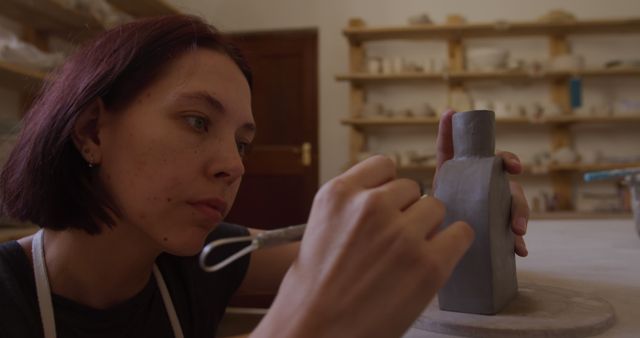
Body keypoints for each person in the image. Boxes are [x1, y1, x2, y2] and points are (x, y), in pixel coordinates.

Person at [0, 14, 529, 338]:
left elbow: (370, 257)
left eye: (242, 142)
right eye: (196, 121)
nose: (233, 165)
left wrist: (461, 201)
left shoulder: (202, 260)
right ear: (92, 130)